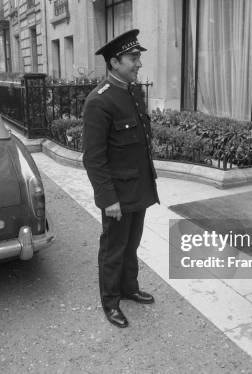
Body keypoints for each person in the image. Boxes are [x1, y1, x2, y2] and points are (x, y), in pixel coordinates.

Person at [82, 29, 159, 328]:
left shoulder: (131, 91)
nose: (138, 64)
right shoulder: (99, 101)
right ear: (114, 62)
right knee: (113, 249)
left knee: (132, 244)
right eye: (133, 58)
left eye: (138, 57)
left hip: (138, 186)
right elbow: (94, 157)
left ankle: (129, 287)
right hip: (117, 194)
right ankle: (110, 301)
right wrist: (107, 198)